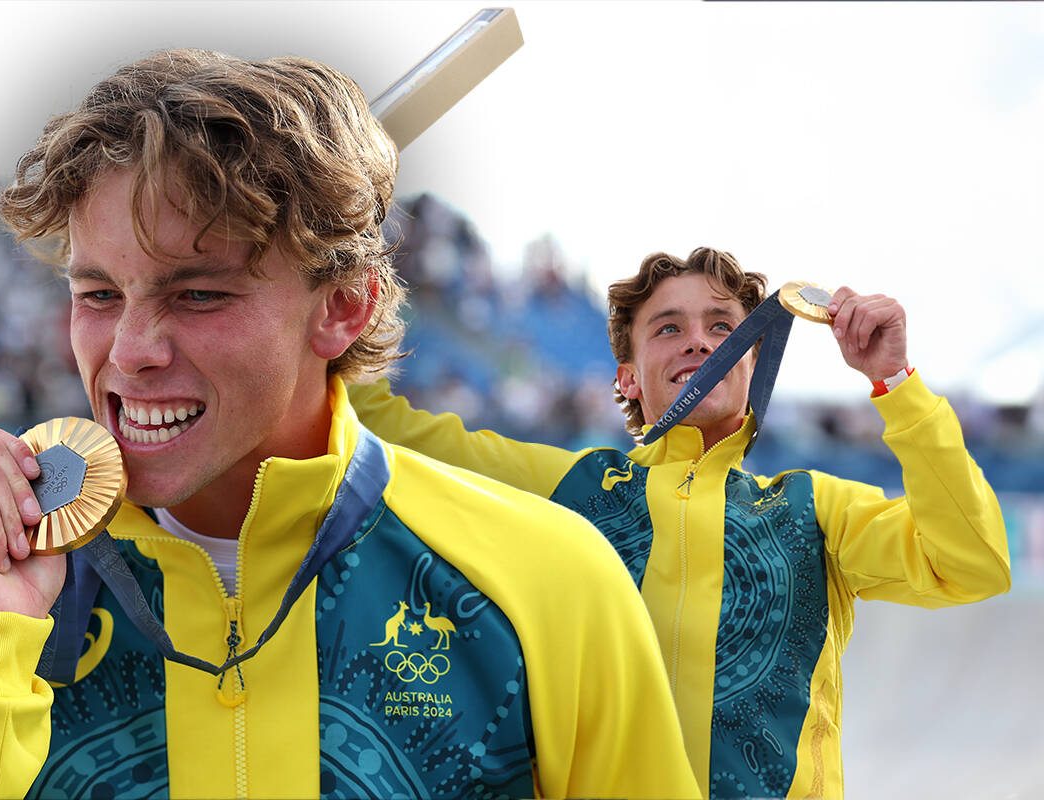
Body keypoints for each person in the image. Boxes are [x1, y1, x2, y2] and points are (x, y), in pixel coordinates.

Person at [0, 51, 700, 800]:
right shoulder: (16, 601)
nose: (132, 350)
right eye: (99, 294)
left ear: (342, 306)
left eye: (199, 294)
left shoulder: (552, 581)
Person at [349, 246, 1011, 800]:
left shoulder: (818, 507)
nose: (698, 338)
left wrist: (897, 382)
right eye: (668, 327)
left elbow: (973, 561)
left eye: (724, 328)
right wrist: (342, 284)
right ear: (628, 379)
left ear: (754, 362)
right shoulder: (567, 486)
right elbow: (378, 427)